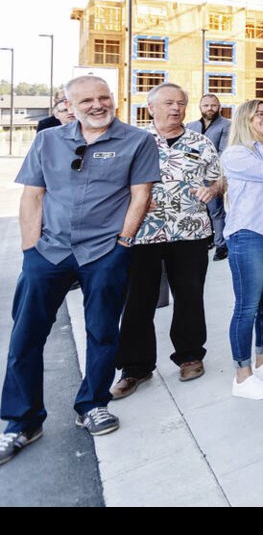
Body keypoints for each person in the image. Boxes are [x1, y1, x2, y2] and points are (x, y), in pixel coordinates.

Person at [0, 75, 159, 466]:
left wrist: (122, 244)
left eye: (104, 97)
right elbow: (32, 196)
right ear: (69, 105)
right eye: (86, 100)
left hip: (104, 252)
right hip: (48, 252)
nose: (97, 105)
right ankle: (22, 421)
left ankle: (92, 404)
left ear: (114, 100)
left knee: (103, 332)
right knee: (26, 335)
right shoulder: (48, 140)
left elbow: (141, 196)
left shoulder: (137, 141)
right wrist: (29, 250)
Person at [111, 83, 223, 399]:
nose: (176, 108)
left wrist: (212, 190)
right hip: (143, 233)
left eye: (180, 103)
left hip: (190, 231)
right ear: (151, 108)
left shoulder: (200, 142)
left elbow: (219, 178)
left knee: (189, 296)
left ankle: (190, 356)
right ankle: (135, 368)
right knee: (138, 301)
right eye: (168, 103)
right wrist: (130, 202)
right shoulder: (134, 142)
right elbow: (114, 184)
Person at [221, 100, 263, 400]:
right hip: (249, 234)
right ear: (245, 120)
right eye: (258, 114)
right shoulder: (237, 154)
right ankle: (242, 375)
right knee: (247, 306)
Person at [187, 94, 231, 261]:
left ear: (219, 107)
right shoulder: (191, 125)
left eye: (213, 105)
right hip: (193, 175)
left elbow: (223, 151)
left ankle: (221, 245)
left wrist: (205, 166)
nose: (210, 108)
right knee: (198, 209)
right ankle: (207, 239)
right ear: (200, 107)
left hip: (213, 175)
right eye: (206, 105)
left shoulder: (227, 125)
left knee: (216, 211)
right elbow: (186, 150)